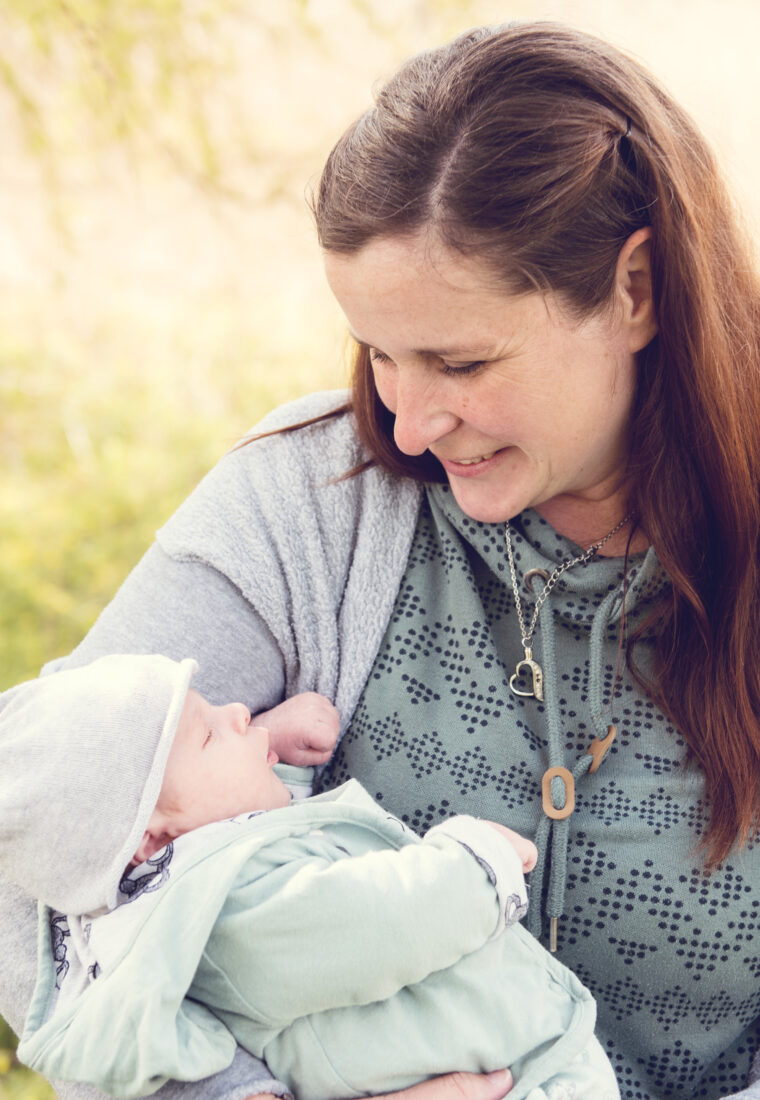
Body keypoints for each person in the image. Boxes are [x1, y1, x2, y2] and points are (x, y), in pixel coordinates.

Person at [2, 18, 760, 1100]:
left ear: (634, 292)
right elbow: (25, 863)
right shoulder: (307, 502)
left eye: (459, 359)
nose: (405, 424)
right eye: (379, 353)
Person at [3, 654, 618, 1100]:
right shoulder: (227, 914)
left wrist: (278, 764)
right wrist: (478, 864)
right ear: (152, 839)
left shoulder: (205, 880)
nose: (239, 711)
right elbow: (375, 924)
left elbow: (263, 842)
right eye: (210, 733)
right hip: (525, 1077)